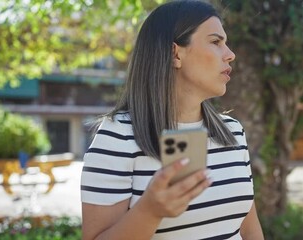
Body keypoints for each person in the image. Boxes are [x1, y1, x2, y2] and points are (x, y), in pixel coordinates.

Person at [80, 1, 264, 239]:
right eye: (216, 42)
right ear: (175, 53)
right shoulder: (119, 135)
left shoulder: (232, 131)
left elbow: (249, 229)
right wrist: (150, 211)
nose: (230, 55)